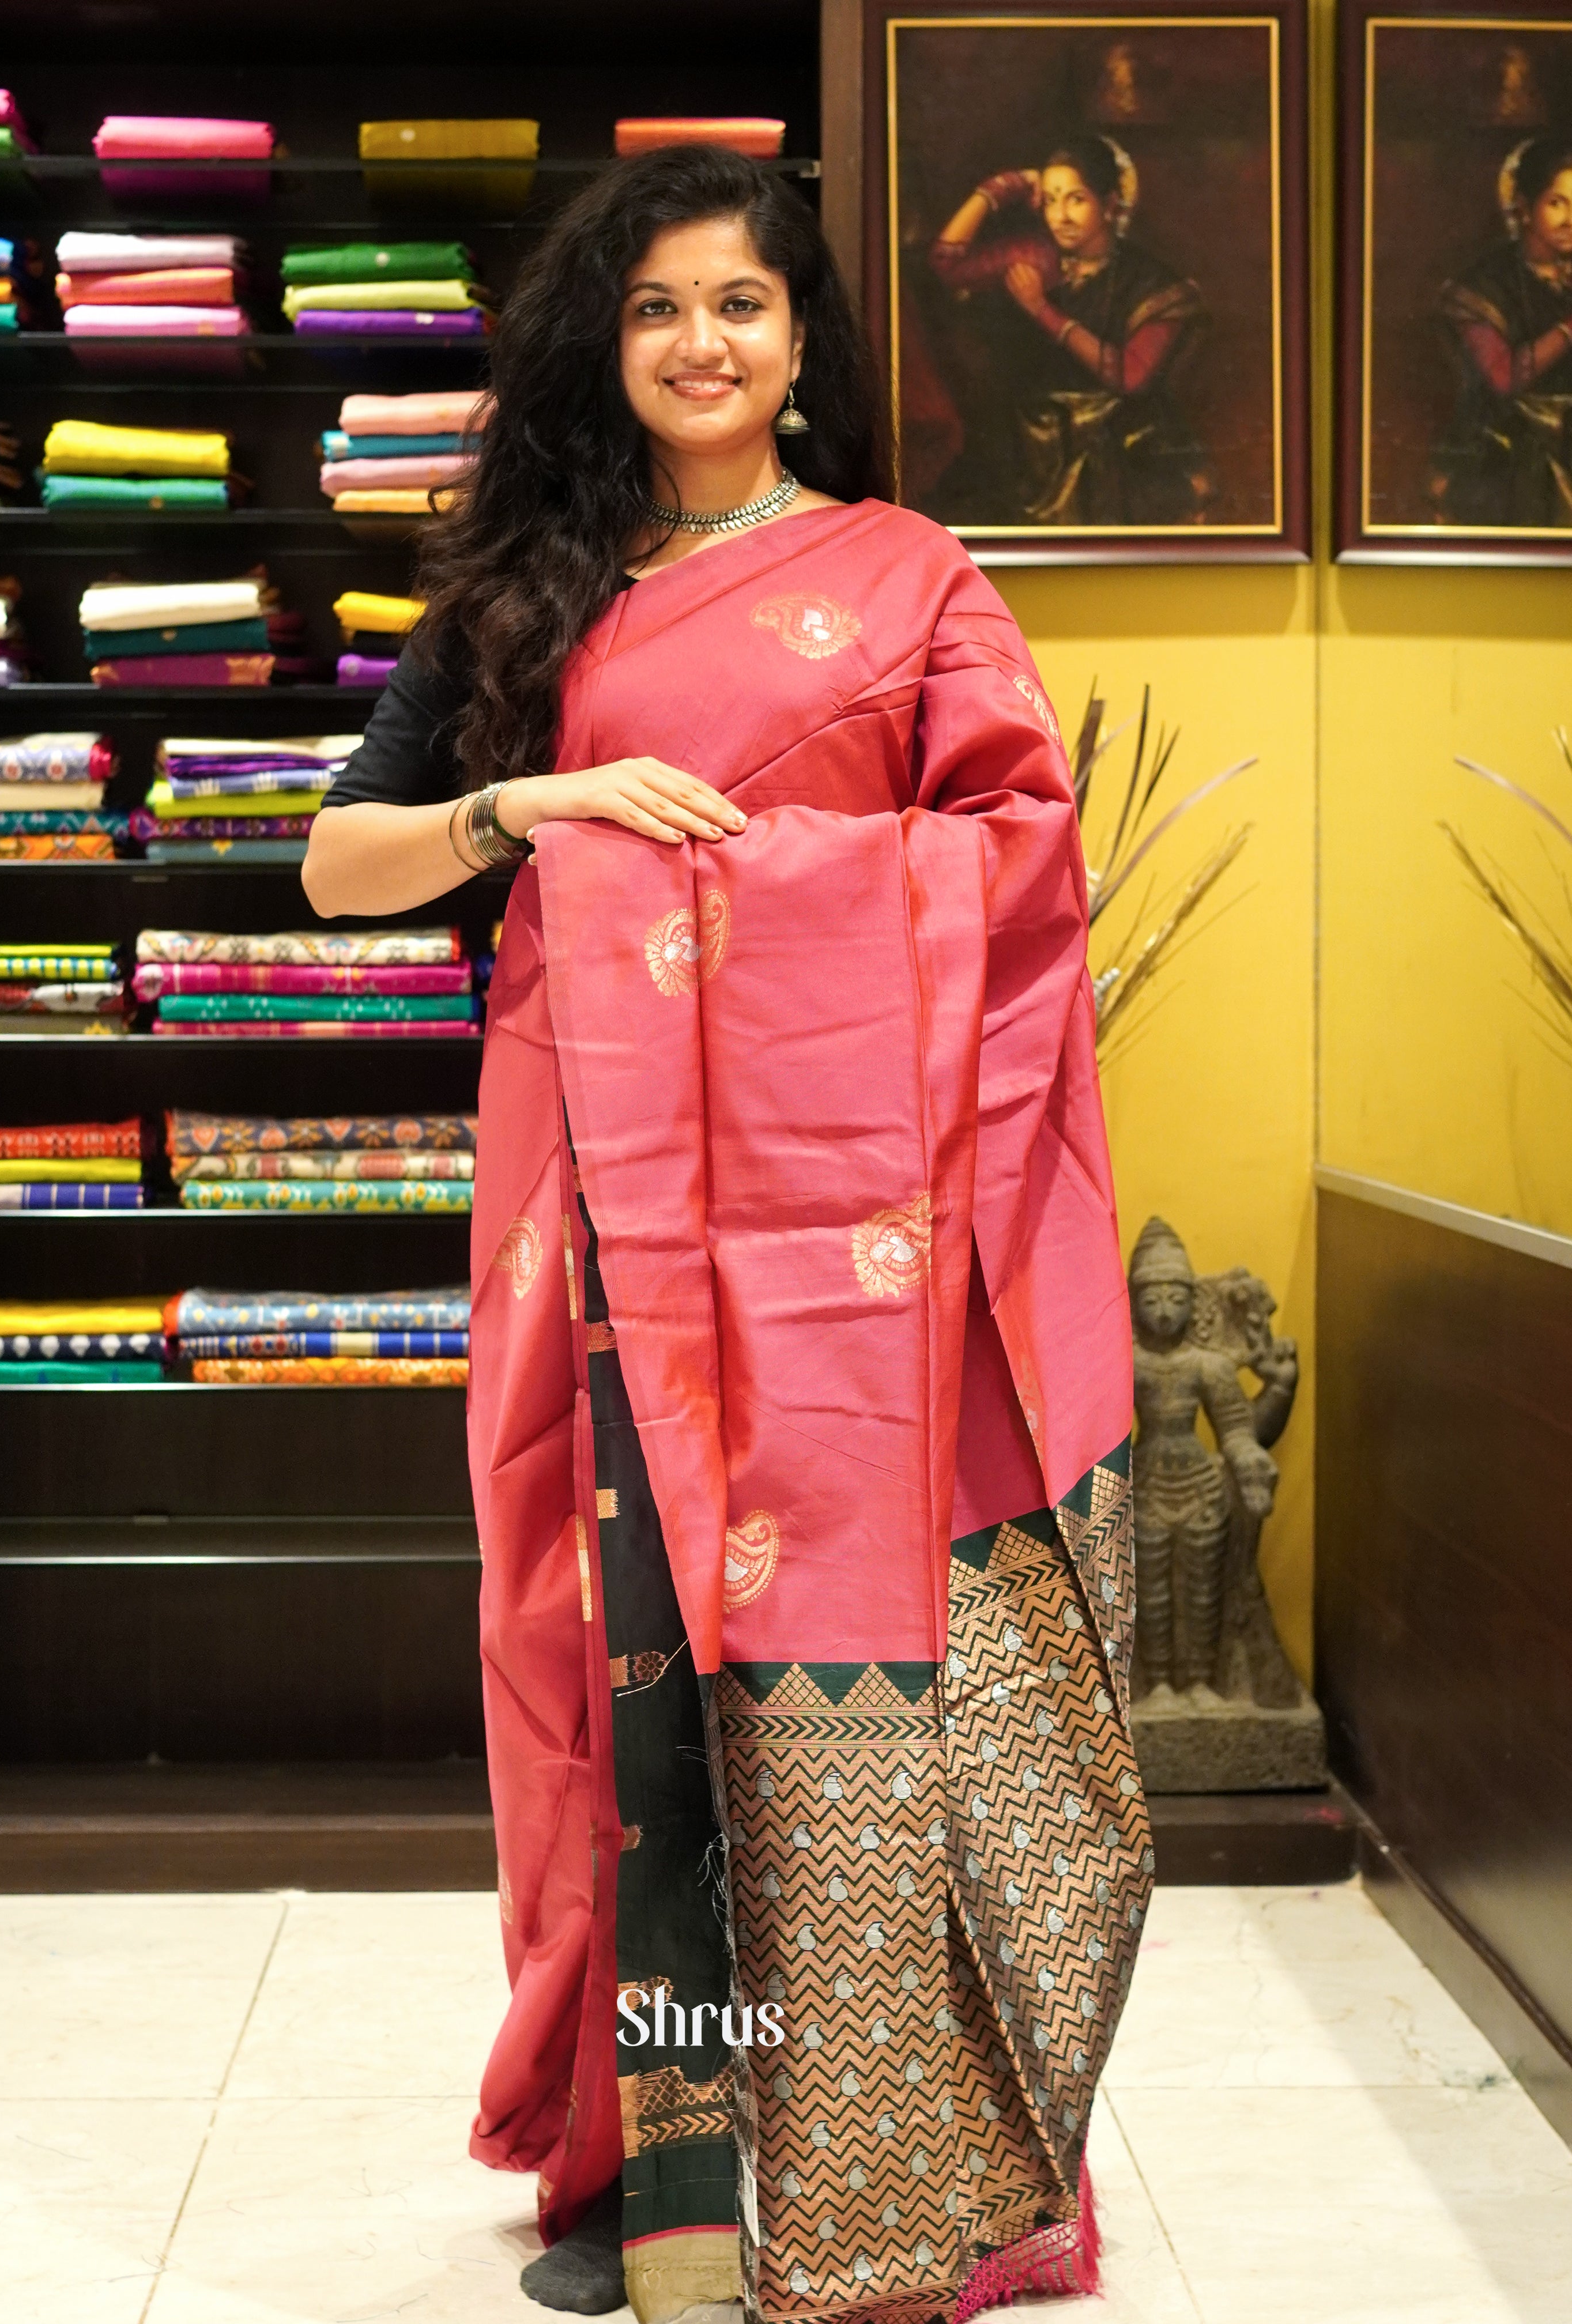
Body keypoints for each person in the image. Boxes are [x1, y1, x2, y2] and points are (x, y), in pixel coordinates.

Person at [303, 142, 1147, 2324]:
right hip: (599, 1217)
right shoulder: (527, 592)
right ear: (606, 340)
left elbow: (1019, 862)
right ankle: (654, 2164)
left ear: (798, 341)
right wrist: (536, 806)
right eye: (657, 304)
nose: (699, 341)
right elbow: (338, 865)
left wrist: (756, 898)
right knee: (628, 1687)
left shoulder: (907, 579)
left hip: (851, 1250)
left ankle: (855, 2156)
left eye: (740, 304)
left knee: (839, 1682)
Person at [927, 134, 1209, 526]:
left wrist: (1042, 310)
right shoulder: (1037, 257)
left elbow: (1129, 376)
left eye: (1076, 200)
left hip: (1116, 442)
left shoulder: (1153, 284)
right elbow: (946, 262)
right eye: (1050, 200)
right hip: (1032, 441)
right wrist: (1002, 187)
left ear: (1109, 205)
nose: (1060, 217)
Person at [1434, 132, 1572, 526]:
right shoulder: (1483, 286)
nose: (1571, 220)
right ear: (1525, 208)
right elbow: (1504, 378)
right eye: (1557, 204)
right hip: (1512, 453)